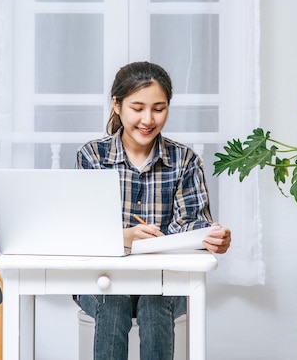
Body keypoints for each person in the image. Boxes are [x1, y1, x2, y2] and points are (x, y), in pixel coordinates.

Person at [74, 61, 232, 360]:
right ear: (117, 105)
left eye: (158, 109)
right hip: (102, 280)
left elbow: (195, 225)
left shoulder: (184, 160)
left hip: (166, 280)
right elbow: (81, 230)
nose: (148, 119)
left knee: (154, 303)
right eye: (137, 108)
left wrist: (212, 237)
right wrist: (123, 237)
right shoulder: (92, 157)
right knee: (113, 302)